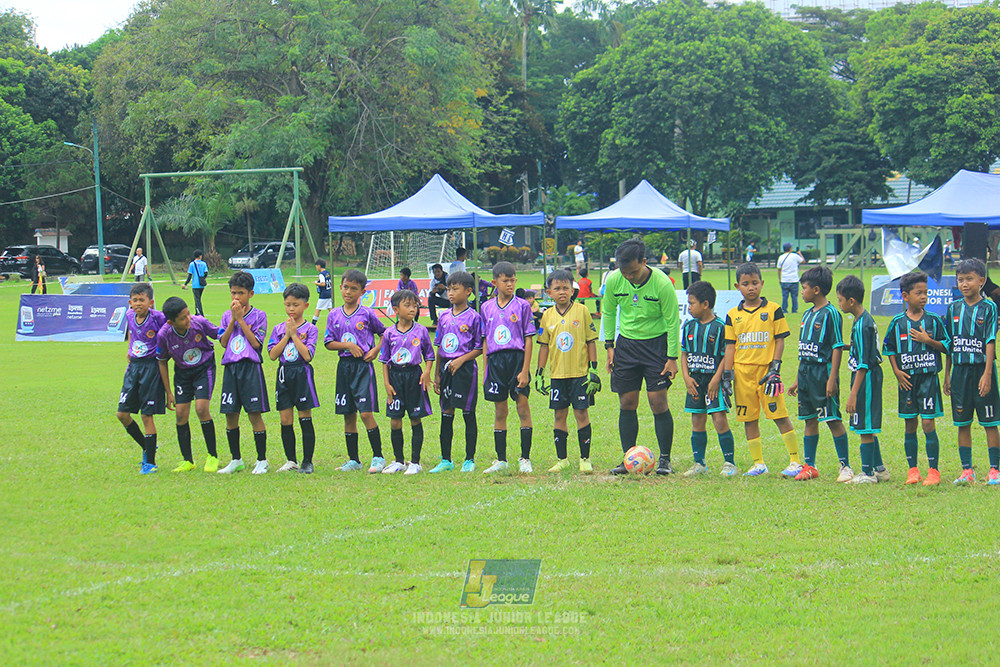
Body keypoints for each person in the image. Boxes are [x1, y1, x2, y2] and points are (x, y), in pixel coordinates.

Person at [601, 239, 680, 475]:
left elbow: (672, 321)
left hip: (656, 346)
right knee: (627, 402)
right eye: (624, 272)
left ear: (644, 263)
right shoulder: (615, 279)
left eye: (633, 272)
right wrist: (609, 346)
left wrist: (672, 357)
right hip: (626, 346)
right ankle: (629, 458)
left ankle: (664, 459)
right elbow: (608, 311)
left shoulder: (662, 284)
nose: (629, 277)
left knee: (658, 402)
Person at [721, 262, 801, 478]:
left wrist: (775, 366)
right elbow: (730, 347)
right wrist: (727, 376)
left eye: (755, 283)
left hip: (767, 374)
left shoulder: (773, 309)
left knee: (780, 415)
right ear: (738, 286)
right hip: (743, 375)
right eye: (746, 284)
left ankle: (795, 461)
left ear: (762, 283)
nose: (751, 288)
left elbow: (780, 339)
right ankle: (758, 463)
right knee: (749, 419)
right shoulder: (732, 314)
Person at [882, 271, 948, 486]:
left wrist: (928, 340)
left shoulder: (934, 321)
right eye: (918, 293)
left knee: (928, 424)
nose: (923, 297)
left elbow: (947, 346)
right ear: (905, 296)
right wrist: (896, 371)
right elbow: (888, 347)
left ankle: (934, 471)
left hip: (928, 380)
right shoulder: (897, 322)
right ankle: (913, 470)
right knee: (910, 424)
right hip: (907, 381)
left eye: (926, 293)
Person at [787, 267, 850, 481]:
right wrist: (797, 379)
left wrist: (832, 379)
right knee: (809, 419)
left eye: (803, 288)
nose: (801, 292)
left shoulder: (831, 313)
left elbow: (837, 346)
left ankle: (845, 466)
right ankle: (810, 466)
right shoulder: (806, 314)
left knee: (832, 419)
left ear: (816, 289)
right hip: (805, 375)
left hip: (823, 375)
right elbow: (804, 350)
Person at [535, 269, 599, 473]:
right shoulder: (546, 316)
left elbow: (590, 341)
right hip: (557, 376)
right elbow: (544, 345)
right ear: (549, 292)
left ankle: (585, 459)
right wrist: (539, 373)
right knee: (559, 415)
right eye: (557, 288)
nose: (562, 292)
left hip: (579, 375)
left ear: (573, 290)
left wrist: (593, 370)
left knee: (582, 413)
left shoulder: (582, 311)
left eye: (566, 288)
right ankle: (562, 459)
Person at [944, 258, 1000, 485]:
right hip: (959, 372)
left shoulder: (989, 308)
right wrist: (947, 374)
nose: (964, 284)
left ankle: (994, 469)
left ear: (982, 281)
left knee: (989, 421)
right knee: (962, 421)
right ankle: (967, 470)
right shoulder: (953, 308)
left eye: (969, 279)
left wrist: (987, 374)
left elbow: (990, 341)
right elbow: (949, 344)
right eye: (960, 280)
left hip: (981, 370)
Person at [324, 269, 387, 473]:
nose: (348, 292)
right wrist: (347, 346)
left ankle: (378, 457)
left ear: (362, 292)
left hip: (362, 368)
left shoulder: (367, 313)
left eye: (353, 289)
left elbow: (385, 334)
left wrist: (376, 350)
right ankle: (354, 460)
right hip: (344, 368)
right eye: (345, 287)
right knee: (348, 414)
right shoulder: (333, 314)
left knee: (365, 413)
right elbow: (328, 343)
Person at [481, 261, 536, 473]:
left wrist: (524, 370)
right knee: (500, 410)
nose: (510, 284)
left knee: (522, 407)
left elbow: (529, 339)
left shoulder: (522, 306)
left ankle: (525, 458)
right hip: (495, 362)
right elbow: (485, 341)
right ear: (495, 282)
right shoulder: (486, 307)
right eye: (506, 281)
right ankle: (501, 459)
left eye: (513, 280)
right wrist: (486, 370)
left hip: (516, 359)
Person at [156, 296, 219, 472]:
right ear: (171, 321)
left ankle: (212, 456)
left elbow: (220, 334)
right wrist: (168, 392)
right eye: (183, 318)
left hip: (204, 368)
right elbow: (162, 362)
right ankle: (187, 461)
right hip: (182, 374)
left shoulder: (199, 323)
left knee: (201, 408)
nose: (188, 319)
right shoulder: (164, 335)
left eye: (188, 314)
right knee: (181, 414)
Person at [679, 281, 736, 477]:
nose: (689, 307)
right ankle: (699, 463)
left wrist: (716, 380)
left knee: (719, 419)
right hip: (695, 380)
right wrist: (686, 378)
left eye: (692, 303)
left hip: (714, 381)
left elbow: (725, 356)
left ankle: (729, 463)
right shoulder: (688, 326)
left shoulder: (720, 327)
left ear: (705, 304)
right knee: (697, 420)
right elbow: (684, 354)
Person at [429, 271, 483, 472]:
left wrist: (461, 360)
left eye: (455, 289)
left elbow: (479, 347)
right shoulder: (443, 317)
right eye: (449, 289)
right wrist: (437, 375)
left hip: (465, 369)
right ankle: (446, 460)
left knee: (468, 412)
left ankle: (469, 460)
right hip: (446, 370)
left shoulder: (474, 317)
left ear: (468, 291)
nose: (450, 293)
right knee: (446, 412)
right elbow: (440, 347)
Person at [217, 271, 270, 475]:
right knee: (230, 415)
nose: (236, 297)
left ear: (251, 293)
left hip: (250, 368)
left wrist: (241, 320)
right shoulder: (225, 315)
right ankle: (235, 459)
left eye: (240, 293)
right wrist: (232, 320)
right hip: (231, 368)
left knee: (254, 413)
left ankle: (262, 460)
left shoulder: (260, 315)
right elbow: (223, 342)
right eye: (233, 293)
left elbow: (256, 343)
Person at [837, 275, 887, 484]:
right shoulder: (862, 320)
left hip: (865, 377)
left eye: (840, 300)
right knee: (868, 425)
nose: (838, 304)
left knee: (864, 427)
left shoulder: (862, 325)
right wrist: (846, 347)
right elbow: (864, 349)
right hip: (867, 375)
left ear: (851, 301)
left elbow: (864, 363)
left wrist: (853, 395)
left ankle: (867, 474)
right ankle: (880, 470)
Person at [379, 289, 435, 475]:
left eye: (415, 305)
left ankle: (415, 462)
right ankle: (398, 460)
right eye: (407, 305)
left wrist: (426, 372)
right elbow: (385, 361)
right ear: (395, 309)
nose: (413, 309)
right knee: (395, 421)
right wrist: (387, 385)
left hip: (414, 377)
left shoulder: (421, 331)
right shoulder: (388, 333)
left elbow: (429, 354)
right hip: (395, 377)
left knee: (415, 418)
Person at [268, 283, 320, 474]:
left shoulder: (310, 329)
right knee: (285, 419)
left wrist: (295, 335)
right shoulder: (278, 328)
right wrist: (286, 335)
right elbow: (273, 355)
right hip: (284, 375)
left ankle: (307, 461)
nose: (291, 309)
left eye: (295, 305)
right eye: (288, 304)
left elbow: (307, 356)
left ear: (305, 306)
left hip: (302, 375)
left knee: (304, 416)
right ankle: (291, 460)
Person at [116, 282, 166, 474]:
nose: (138, 304)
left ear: (150, 302)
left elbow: (168, 332)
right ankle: (147, 445)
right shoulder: (129, 315)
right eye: (135, 300)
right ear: (130, 302)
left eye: (142, 300)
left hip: (151, 368)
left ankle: (150, 463)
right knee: (122, 414)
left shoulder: (158, 317)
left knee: (146, 415)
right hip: (133, 368)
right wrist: (130, 350)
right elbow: (132, 333)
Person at [776, 243, 805, 314]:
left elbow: (779, 269)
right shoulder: (795, 256)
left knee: (785, 296)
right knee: (794, 296)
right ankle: (794, 310)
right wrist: (800, 253)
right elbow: (803, 261)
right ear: (790, 249)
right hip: (794, 279)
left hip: (784, 279)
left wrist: (779, 279)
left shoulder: (781, 257)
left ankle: (784, 309)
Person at [181, 251, 208, 316]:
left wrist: (185, 284)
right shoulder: (204, 264)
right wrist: (202, 279)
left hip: (195, 284)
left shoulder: (192, 264)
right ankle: (197, 313)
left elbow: (189, 276)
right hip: (201, 285)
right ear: (200, 256)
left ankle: (200, 314)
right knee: (198, 299)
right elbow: (206, 273)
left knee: (197, 300)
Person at [312, 259, 333, 326]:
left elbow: (323, 284)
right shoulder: (327, 273)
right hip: (329, 292)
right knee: (331, 309)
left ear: (319, 266)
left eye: (316, 266)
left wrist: (316, 283)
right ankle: (336, 321)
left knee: (318, 309)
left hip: (324, 295)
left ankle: (312, 325)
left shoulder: (321, 274)